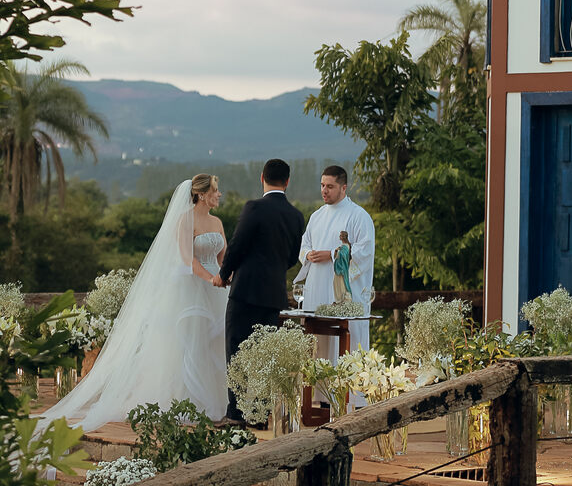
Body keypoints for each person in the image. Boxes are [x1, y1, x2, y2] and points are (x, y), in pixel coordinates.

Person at [38, 174, 229, 432]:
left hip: (217, 289)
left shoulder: (217, 221)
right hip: (192, 289)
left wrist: (225, 277)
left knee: (214, 345)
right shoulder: (185, 220)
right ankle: (189, 401)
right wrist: (211, 278)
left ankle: (216, 400)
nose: (219, 195)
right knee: (189, 345)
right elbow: (187, 258)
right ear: (202, 194)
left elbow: (222, 256)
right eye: (216, 191)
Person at [215, 158, 305, 423]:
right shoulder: (296, 215)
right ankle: (262, 412)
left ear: (262, 177)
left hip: (245, 291)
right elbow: (292, 257)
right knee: (266, 355)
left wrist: (223, 275)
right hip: (273, 295)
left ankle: (237, 412)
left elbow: (237, 245)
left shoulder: (254, 207)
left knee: (236, 350)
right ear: (287, 182)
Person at [294, 166, 375, 360]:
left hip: (344, 294)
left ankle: (350, 392)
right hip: (317, 291)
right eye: (322, 185)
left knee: (346, 350)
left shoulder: (359, 216)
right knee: (319, 350)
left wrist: (331, 255)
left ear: (344, 187)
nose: (324, 190)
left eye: (330, 186)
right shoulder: (317, 216)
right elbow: (303, 244)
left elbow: (364, 251)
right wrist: (308, 255)